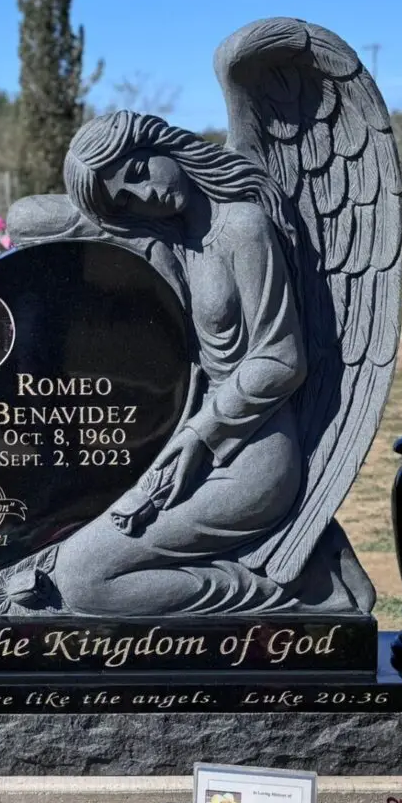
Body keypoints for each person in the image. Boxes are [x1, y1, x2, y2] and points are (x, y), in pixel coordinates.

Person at [42, 110, 308, 615]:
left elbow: (282, 357)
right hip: (181, 442)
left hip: (249, 452)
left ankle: (279, 592)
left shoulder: (243, 227)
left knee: (83, 581)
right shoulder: (175, 240)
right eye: (125, 199)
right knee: (57, 555)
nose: (143, 197)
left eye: (139, 174)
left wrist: (201, 433)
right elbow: (27, 218)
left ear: (160, 142)